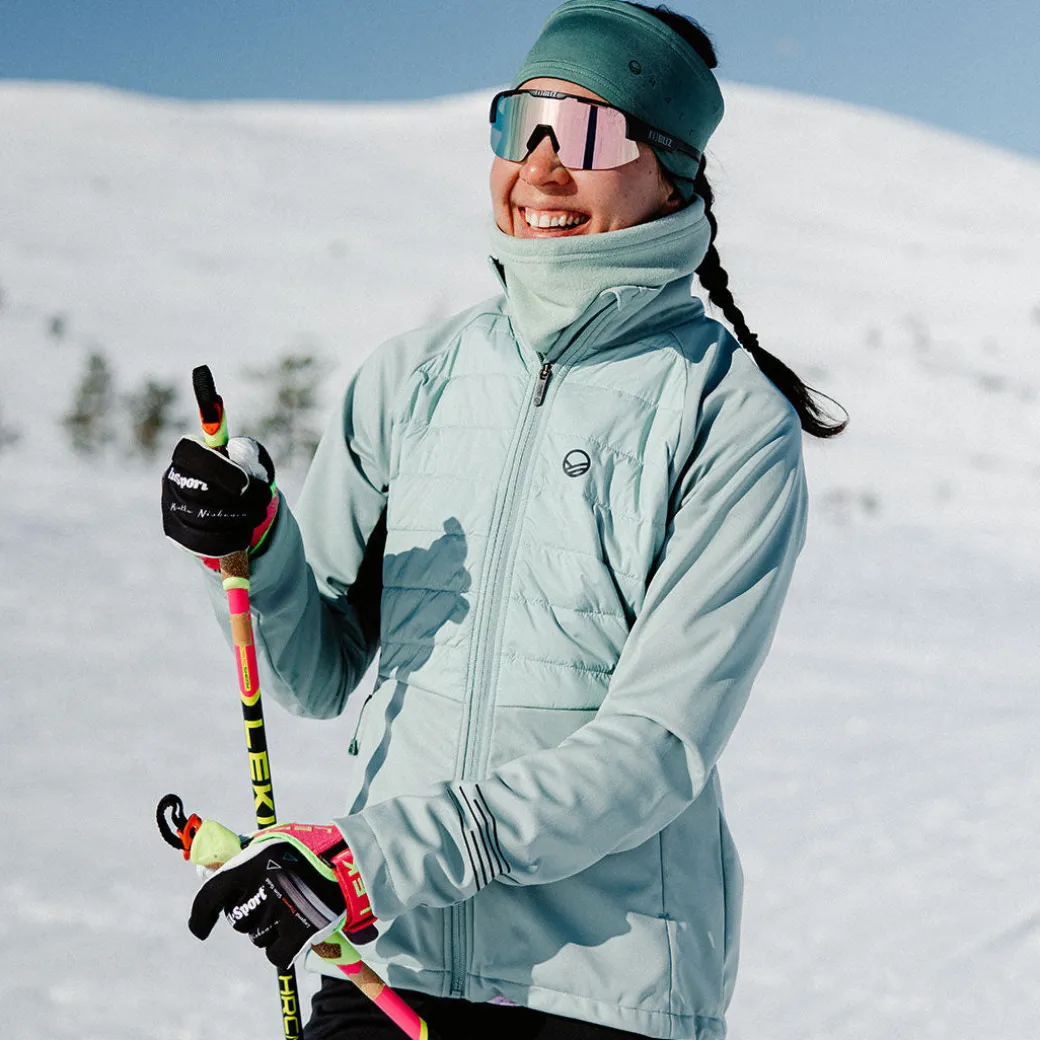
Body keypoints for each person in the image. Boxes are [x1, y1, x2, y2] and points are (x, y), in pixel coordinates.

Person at [161, 2, 845, 1037]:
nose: (539, 167)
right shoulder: (410, 378)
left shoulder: (726, 413)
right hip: (388, 954)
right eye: (519, 122)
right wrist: (253, 546)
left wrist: (374, 858)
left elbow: (657, 746)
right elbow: (315, 673)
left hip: (601, 985)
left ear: (671, 170)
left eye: (584, 132)